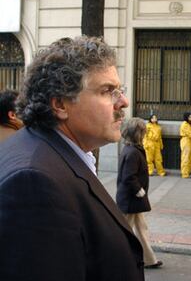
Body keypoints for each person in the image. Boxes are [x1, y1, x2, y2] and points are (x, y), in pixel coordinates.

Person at [0, 36, 144, 281]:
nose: (123, 101)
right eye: (107, 91)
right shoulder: (34, 183)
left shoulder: (47, 150)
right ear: (60, 105)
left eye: (120, 90)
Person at [116, 117, 163, 269]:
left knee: (142, 230)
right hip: (131, 199)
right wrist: (139, 191)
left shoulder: (131, 150)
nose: (144, 134)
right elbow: (129, 177)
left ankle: (149, 260)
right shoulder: (133, 153)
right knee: (124, 232)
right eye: (142, 132)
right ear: (136, 134)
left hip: (132, 200)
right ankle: (116, 258)